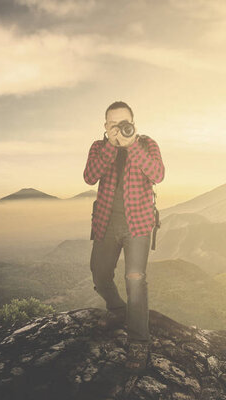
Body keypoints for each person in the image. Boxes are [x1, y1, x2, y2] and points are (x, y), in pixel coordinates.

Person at [83, 101, 165, 369]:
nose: (118, 128)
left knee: (135, 280)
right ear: (105, 126)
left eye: (124, 123)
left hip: (138, 224)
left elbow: (158, 174)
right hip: (106, 222)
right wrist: (111, 146)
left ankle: (139, 343)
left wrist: (130, 146)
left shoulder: (147, 144)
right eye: (112, 124)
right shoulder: (98, 147)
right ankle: (119, 310)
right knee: (100, 273)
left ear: (133, 123)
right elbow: (89, 176)